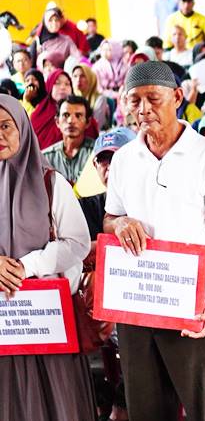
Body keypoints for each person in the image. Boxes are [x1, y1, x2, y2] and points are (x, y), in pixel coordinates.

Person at [102, 61, 205, 420]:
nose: (143, 109)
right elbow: (109, 218)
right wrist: (120, 224)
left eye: (153, 99)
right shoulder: (124, 160)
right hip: (136, 302)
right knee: (146, 407)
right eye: (135, 101)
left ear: (177, 97)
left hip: (191, 304)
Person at [0, 93, 96, 421]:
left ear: (24, 129)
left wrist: (27, 266)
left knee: (56, 404)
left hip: (46, 323)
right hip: (4, 325)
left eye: (5, 126)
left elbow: (78, 243)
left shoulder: (51, 182)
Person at [31, 69, 97, 149]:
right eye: (57, 83)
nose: (62, 87)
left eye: (67, 84)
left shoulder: (83, 113)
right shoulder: (37, 116)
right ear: (49, 86)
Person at [41, 95, 95, 184]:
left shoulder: (96, 154)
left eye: (78, 115)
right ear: (57, 122)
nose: (71, 121)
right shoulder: (45, 158)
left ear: (88, 122)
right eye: (66, 115)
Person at [72, 64, 112, 130]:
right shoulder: (71, 98)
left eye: (83, 76)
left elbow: (96, 126)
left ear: (90, 78)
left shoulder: (100, 99)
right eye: (75, 76)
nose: (78, 79)